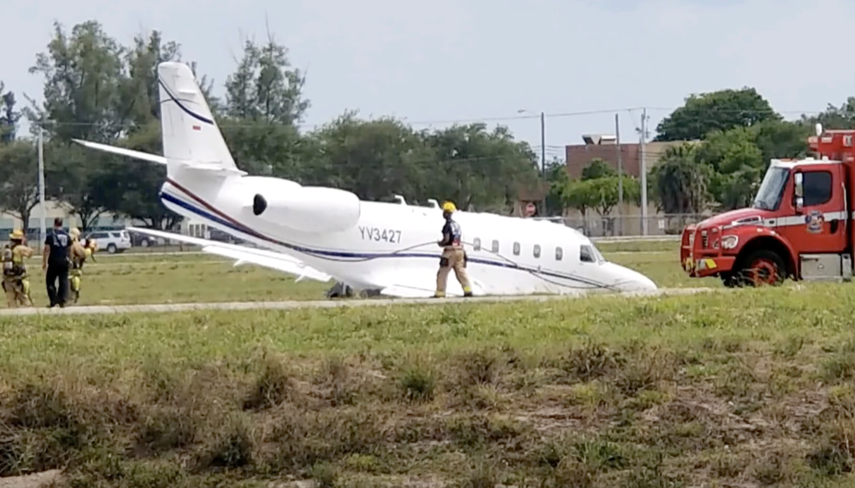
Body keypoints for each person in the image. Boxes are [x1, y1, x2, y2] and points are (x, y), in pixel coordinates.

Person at [434, 201, 473, 298]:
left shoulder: (447, 226)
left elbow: (447, 239)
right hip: (460, 251)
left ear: (447, 213)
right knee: (461, 272)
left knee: (442, 273)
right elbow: (457, 239)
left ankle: (440, 293)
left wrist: (441, 243)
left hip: (450, 252)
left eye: (444, 211)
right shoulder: (457, 225)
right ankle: (468, 290)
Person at [43, 217, 71, 308]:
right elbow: (70, 249)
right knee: (63, 281)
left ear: (54, 224)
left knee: (50, 281)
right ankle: (62, 300)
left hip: (53, 261)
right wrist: (70, 259)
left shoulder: (51, 235)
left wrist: (44, 262)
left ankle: (53, 300)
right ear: (62, 224)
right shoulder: (67, 235)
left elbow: (47, 249)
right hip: (64, 260)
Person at [2, 230, 34, 307]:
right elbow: (30, 254)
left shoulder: (6, 249)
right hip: (18, 279)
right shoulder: (20, 248)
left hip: (7, 278)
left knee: (11, 301)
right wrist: (25, 244)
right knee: (25, 300)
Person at [67, 228, 92, 304]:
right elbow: (83, 254)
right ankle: (75, 296)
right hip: (73, 269)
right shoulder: (75, 244)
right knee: (75, 279)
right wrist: (90, 249)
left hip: (65, 268)